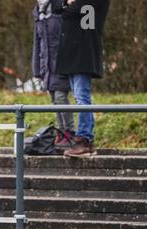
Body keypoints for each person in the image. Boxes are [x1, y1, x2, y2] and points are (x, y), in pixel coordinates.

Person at [52, 0, 110, 157]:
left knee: (82, 97)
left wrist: (67, 7)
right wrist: (66, 3)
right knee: (81, 96)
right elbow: (55, 6)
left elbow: (70, 12)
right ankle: (86, 139)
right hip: (72, 52)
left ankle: (84, 138)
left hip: (83, 52)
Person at [32, 0, 74, 148]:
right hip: (47, 67)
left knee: (61, 98)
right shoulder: (38, 12)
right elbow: (37, 44)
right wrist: (37, 70)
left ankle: (69, 133)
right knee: (54, 101)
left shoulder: (59, 8)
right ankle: (61, 133)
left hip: (61, 65)